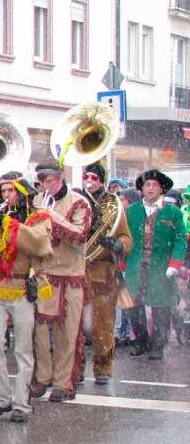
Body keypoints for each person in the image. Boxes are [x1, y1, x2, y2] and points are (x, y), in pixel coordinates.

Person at [0, 173, 53, 423]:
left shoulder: (38, 217)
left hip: (23, 286)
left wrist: (10, 225)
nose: (7, 196)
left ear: (22, 192)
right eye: (4, 191)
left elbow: (40, 244)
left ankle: (22, 402)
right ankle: (0, 399)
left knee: (23, 348)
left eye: (11, 191)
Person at [30, 161, 92, 402]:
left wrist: (53, 217)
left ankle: (64, 382)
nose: (46, 186)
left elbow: (79, 236)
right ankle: (43, 377)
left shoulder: (79, 202)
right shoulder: (37, 201)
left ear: (61, 178)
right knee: (41, 331)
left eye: (50, 180)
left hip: (71, 276)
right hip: (46, 274)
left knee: (68, 331)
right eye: (42, 181)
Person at [124, 169, 187, 360]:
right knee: (133, 304)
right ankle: (141, 341)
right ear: (141, 188)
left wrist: (175, 264)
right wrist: (122, 264)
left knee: (161, 305)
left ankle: (158, 345)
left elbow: (179, 241)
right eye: (147, 185)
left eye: (154, 185)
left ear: (162, 189)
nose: (150, 188)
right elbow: (124, 237)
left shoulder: (173, 212)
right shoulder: (131, 211)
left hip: (161, 266)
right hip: (136, 265)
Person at [79, 162, 132, 382]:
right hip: (78, 271)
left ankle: (103, 368)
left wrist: (116, 245)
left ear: (101, 180)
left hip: (103, 273)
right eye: (86, 176)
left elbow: (126, 239)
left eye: (93, 177)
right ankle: (75, 369)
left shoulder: (113, 205)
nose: (88, 181)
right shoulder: (77, 201)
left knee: (103, 324)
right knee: (76, 325)